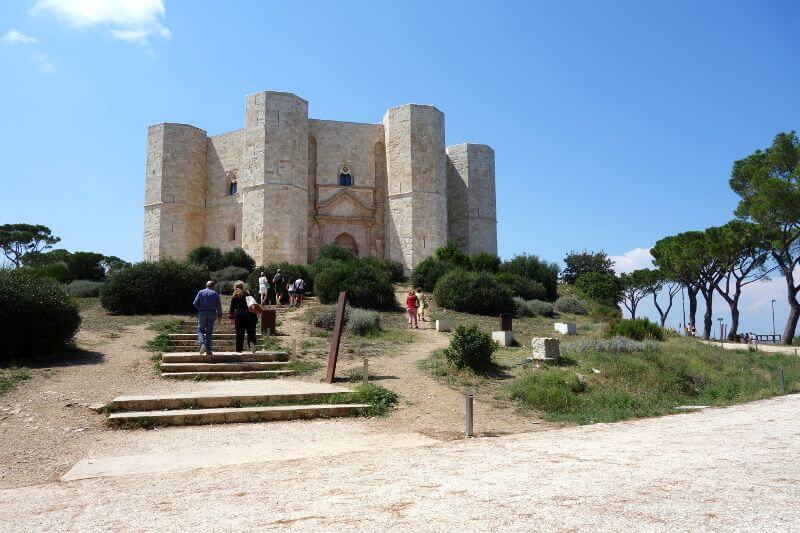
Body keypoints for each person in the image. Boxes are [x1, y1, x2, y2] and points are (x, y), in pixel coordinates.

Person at [193, 280, 222, 356]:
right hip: (212, 314)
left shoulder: (201, 292)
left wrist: (200, 308)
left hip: (202, 313)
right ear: (213, 286)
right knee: (209, 332)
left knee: (200, 330)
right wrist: (219, 316)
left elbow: (195, 303)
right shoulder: (215, 293)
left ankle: (203, 344)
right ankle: (208, 351)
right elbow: (219, 306)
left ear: (206, 286)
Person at [229, 281, 258, 354]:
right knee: (251, 331)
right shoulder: (247, 294)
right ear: (243, 287)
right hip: (249, 314)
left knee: (239, 333)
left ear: (235, 287)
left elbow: (232, 308)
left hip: (238, 315)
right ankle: (251, 342)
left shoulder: (234, 295)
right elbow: (253, 304)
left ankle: (239, 350)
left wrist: (231, 318)